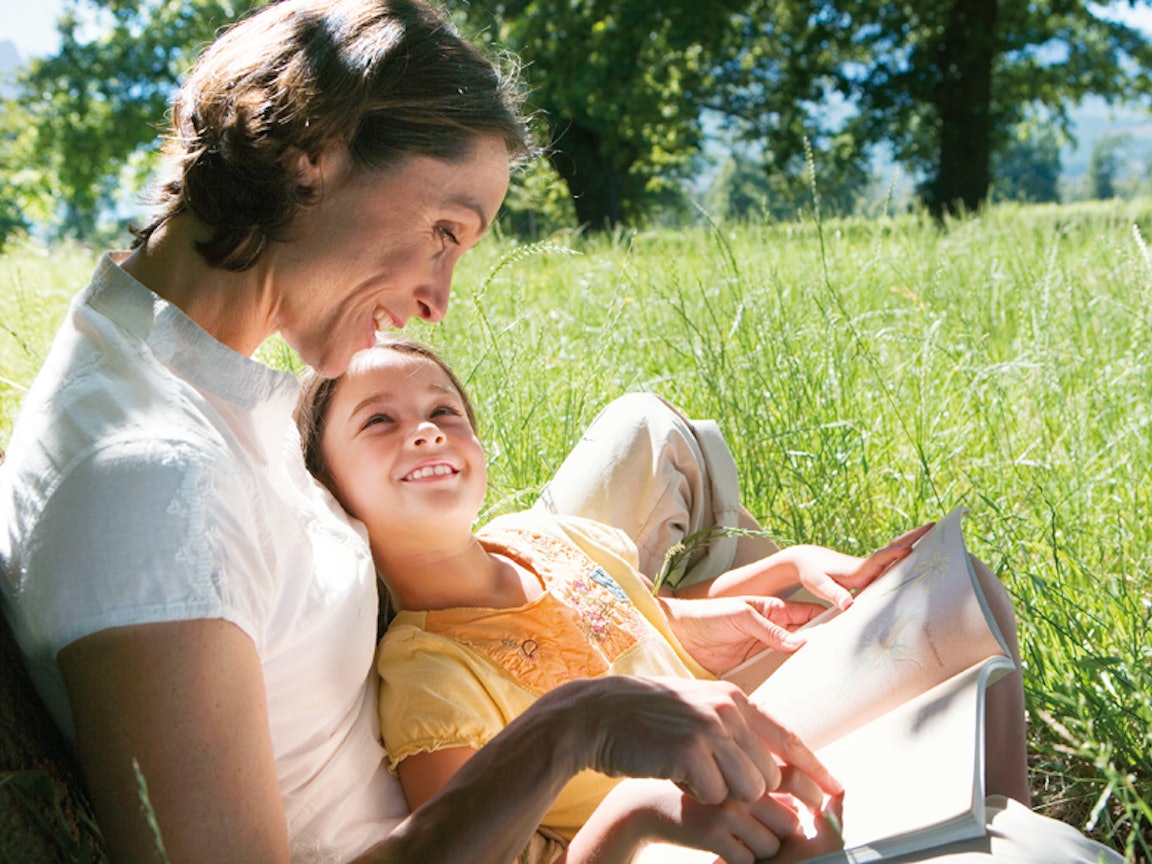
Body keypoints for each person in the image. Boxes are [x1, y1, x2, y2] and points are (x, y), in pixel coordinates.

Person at [0, 2, 846, 863]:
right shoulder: (148, 482)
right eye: (443, 232)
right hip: (495, 821)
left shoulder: (182, 377)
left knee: (882, 597)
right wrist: (574, 727)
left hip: (481, 730)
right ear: (314, 159)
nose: (437, 301)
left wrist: (646, 626)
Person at [296, 337, 1128, 864]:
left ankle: (986, 804)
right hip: (671, 831)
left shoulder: (547, 539)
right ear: (329, 491)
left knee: (959, 590)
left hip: (749, 738)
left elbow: (647, 620)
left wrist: (784, 571)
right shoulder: (424, 671)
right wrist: (636, 815)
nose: (428, 429)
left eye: (445, 409)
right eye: (379, 421)